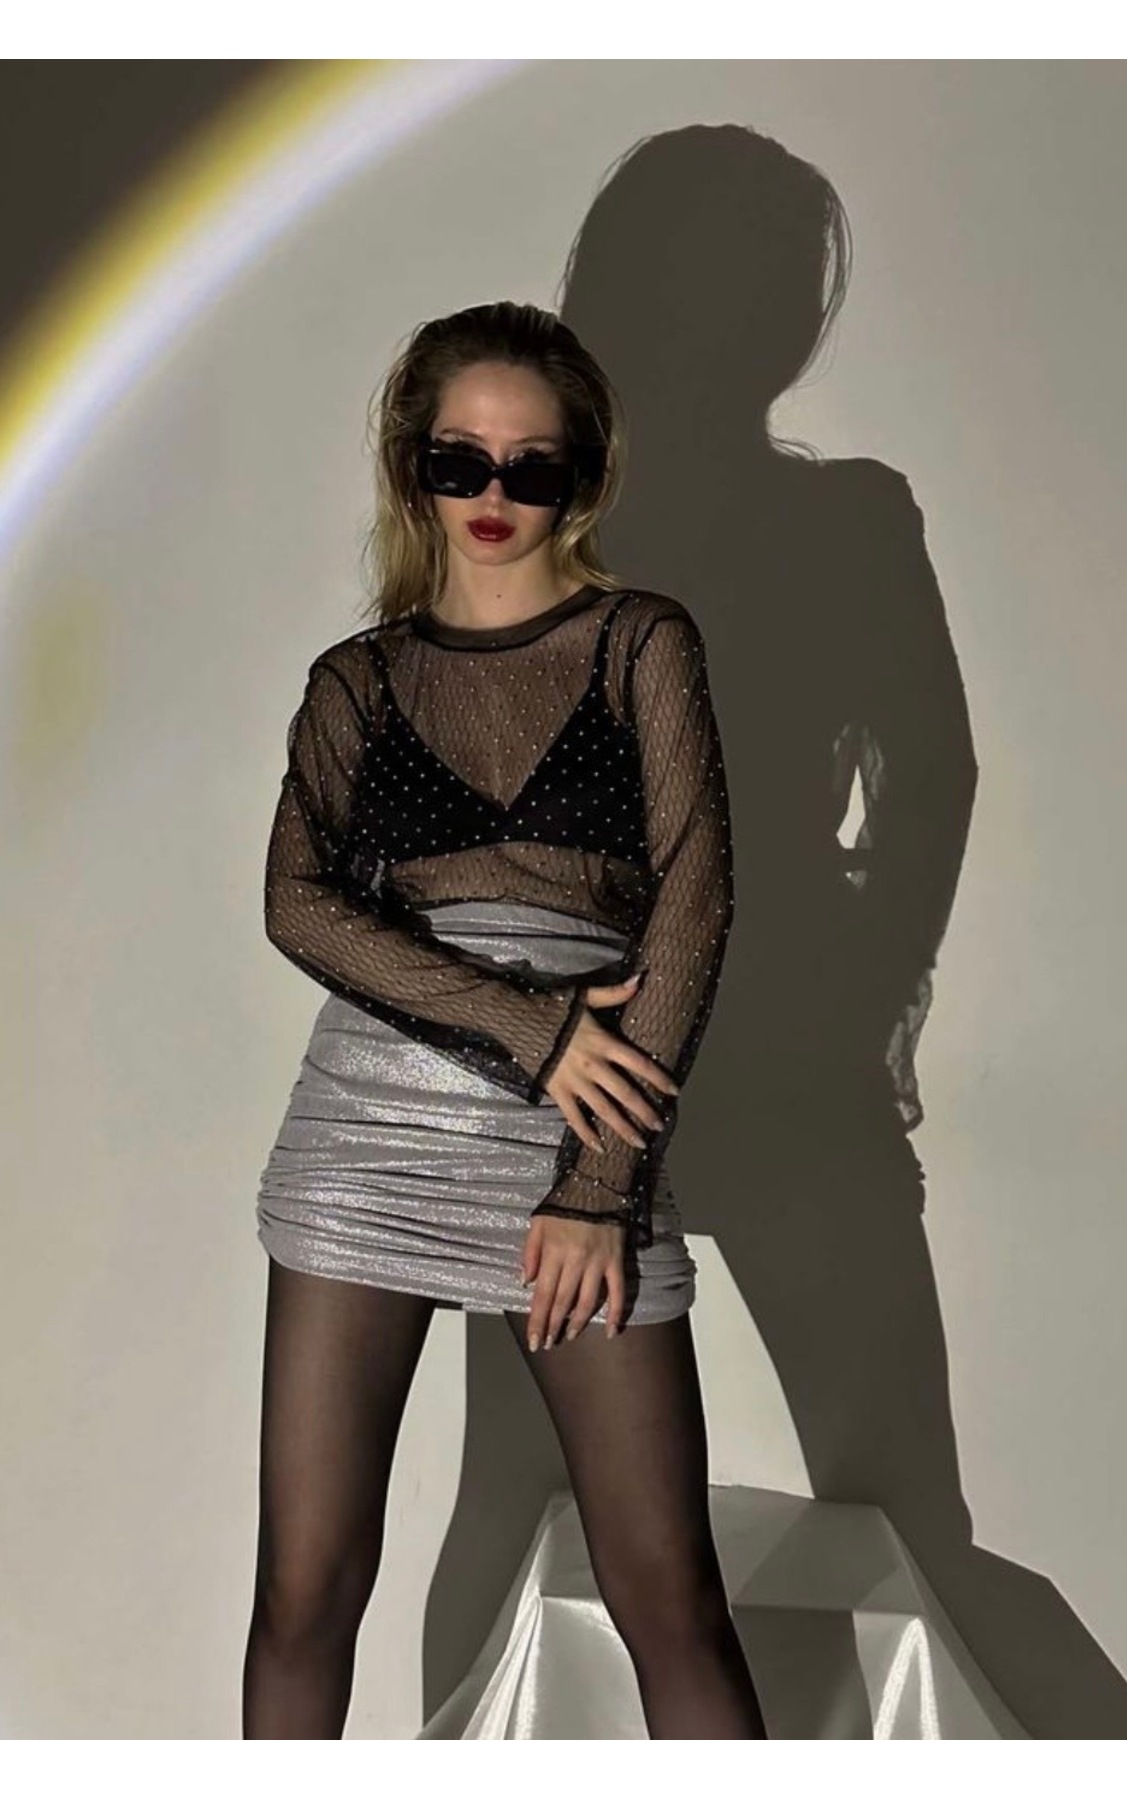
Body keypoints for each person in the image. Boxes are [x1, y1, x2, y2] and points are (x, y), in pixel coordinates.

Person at [242, 300, 765, 1739]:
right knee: (304, 1590)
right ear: (411, 465)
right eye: (457, 460)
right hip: (367, 1134)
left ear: (581, 477)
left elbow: (695, 905)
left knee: (669, 1597)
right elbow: (297, 907)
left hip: (587, 1130)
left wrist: (599, 1186)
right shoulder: (355, 683)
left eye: (531, 467)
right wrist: (535, 1033)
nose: (492, 495)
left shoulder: (640, 642)